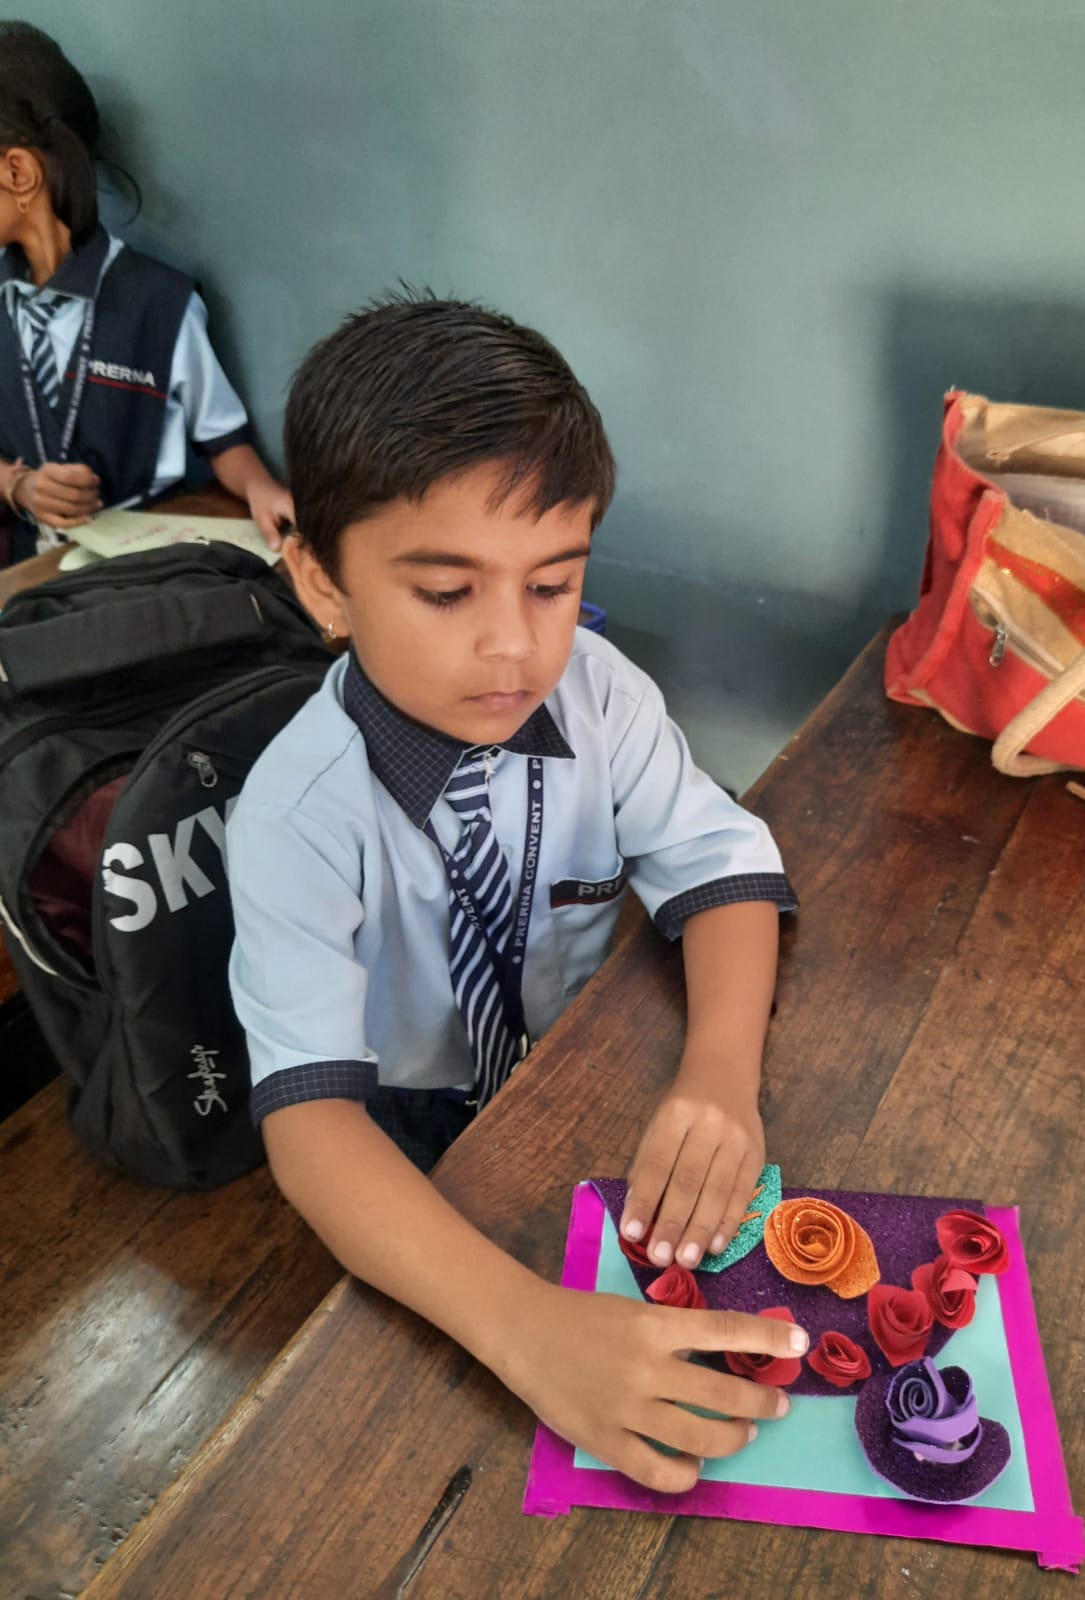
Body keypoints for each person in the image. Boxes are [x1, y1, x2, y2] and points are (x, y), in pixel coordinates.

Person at [227, 292, 803, 1493]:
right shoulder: (295, 815)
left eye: (552, 584)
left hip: (579, 1075)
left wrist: (718, 1077)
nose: (515, 647)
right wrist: (526, 1331)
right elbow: (310, 1129)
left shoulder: (599, 692)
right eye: (448, 593)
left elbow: (723, 865)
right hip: (401, 1139)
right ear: (322, 583)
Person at [0, 21, 292, 565]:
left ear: (18, 172)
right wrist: (17, 486)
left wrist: (260, 487)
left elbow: (224, 442)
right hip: (28, 575)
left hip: (142, 567)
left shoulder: (159, 301)